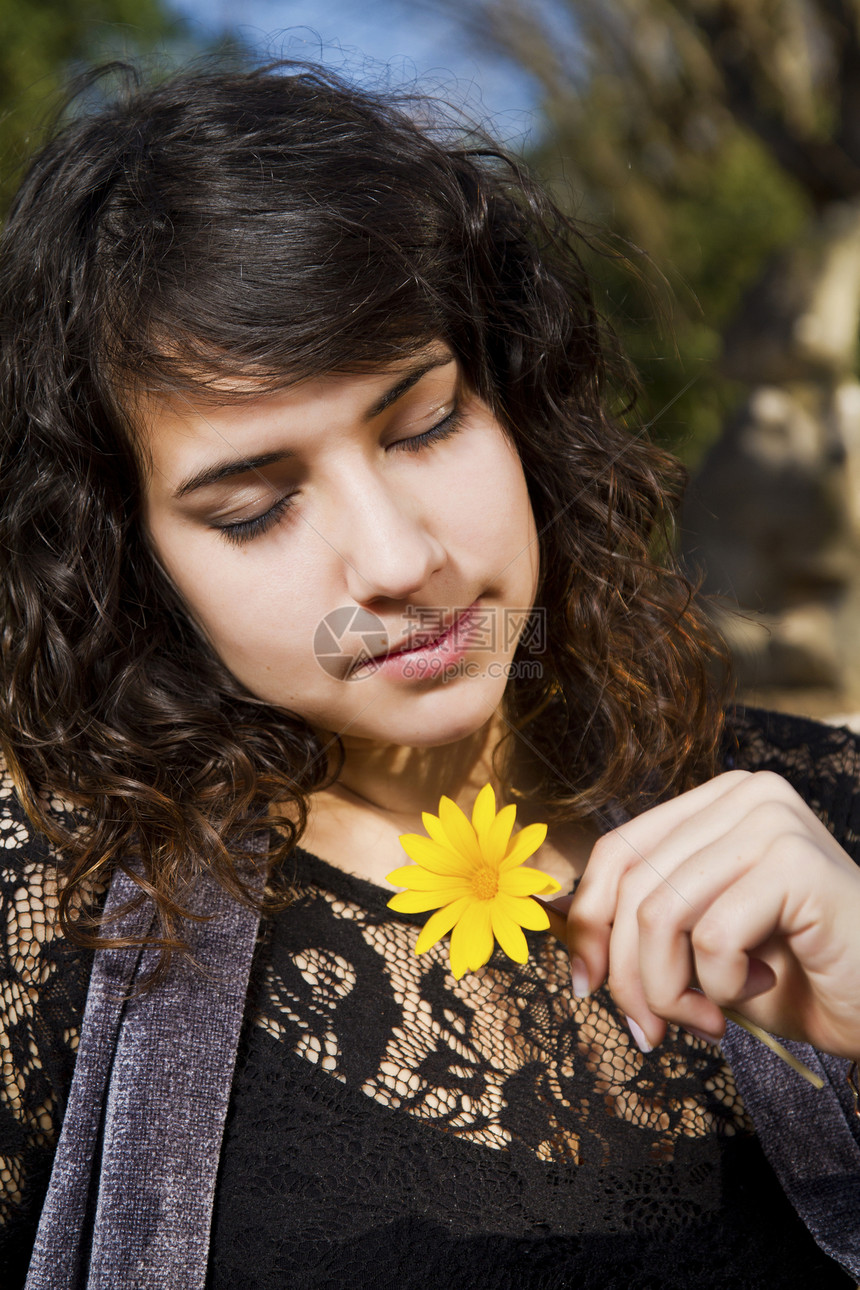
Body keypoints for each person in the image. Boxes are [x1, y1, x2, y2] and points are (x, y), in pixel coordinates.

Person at [0, 59, 859, 1290]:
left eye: (424, 425)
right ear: (131, 564)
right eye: (253, 509)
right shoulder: (57, 908)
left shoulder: (817, 810)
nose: (401, 560)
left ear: (515, 400)